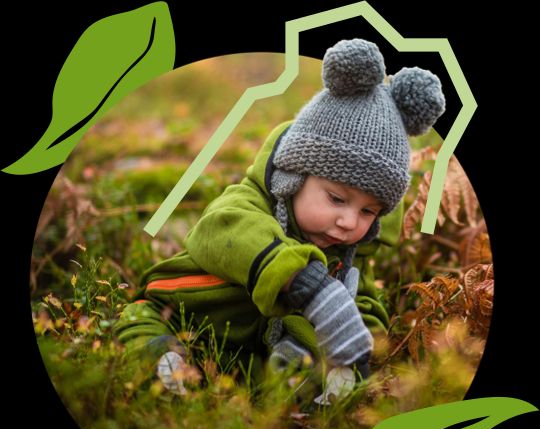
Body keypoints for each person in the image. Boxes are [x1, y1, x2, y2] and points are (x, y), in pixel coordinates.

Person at [113, 38, 445, 403]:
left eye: (369, 211)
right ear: (294, 176)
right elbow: (221, 229)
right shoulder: (249, 203)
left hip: (250, 351)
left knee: (304, 361)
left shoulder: (348, 254)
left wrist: (356, 351)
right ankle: (163, 358)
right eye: (336, 199)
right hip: (182, 311)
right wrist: (304, 280)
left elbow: (363, 302)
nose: (349, 221)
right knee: (140, 319)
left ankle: (281, 384)